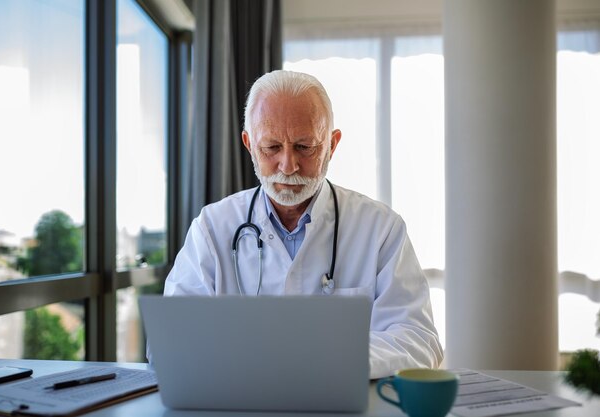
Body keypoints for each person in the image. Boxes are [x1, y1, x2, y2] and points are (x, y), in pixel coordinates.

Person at [163, 70, 443, 378]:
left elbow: (418, 339)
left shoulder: (381, 229)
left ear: (331, 145)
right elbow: (171, 340)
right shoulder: (212, 228)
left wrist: (328, 359)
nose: (288, 165)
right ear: (249, 144)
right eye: (271, 147)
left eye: (304, 147)